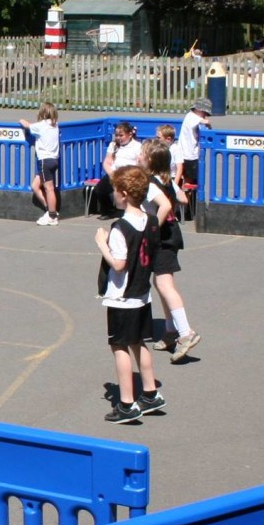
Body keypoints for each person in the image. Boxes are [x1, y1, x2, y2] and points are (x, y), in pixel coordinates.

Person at [95, 165, 164, 424]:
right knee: (139, 342)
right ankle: (150, 392)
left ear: (123, 194)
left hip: (123, 296)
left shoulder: (120, 228)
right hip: (142, 293)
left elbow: (119, 263)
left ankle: (126, 402)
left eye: (114, 190)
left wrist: (102, 245)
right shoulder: (151, 220)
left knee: (119, 345)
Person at [141, 139, 200, 360]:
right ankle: (170, 330)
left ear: (149, 161)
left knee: (165, 284)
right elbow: (183, 199)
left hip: (162, 237)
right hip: (172, 234)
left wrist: (153, 227)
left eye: (141, 155)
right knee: (161, 282)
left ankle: (186, 332)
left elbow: (166, 205)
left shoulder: (150, 183)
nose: (138, 157)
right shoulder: (165, 180)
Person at [19, 103, 60, 225]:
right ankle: (50, 209)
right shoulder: (55, 125)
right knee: (35, 186)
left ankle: (52, 216)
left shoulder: (41, 126)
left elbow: (27, 125)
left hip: (44, 160)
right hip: (54, 159)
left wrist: (21, 120)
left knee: (49, 189)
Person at [173, 97, 213, 222]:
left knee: (191, 182)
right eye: (204, 112)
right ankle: (184, 208)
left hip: (188, 153)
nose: (205, 115)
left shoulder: (191, 117)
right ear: (199, 109)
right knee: (189, 183)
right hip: (189, 155)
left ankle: (187, 208)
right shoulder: (192, 117)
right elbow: (204, 122)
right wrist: (207, 121)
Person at [92, 121, 142, 218]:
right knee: (100, 190)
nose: (118, 138)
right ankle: (108, 210)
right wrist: (111, 173)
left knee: (128, 193)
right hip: (114, 173)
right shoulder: (113, 145)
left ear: (130, 134)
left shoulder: (137, 146)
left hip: (129, 174)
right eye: (117, 135)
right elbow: (107, 161)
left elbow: (139, 164)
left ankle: (127, 210)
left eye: (121, 135)